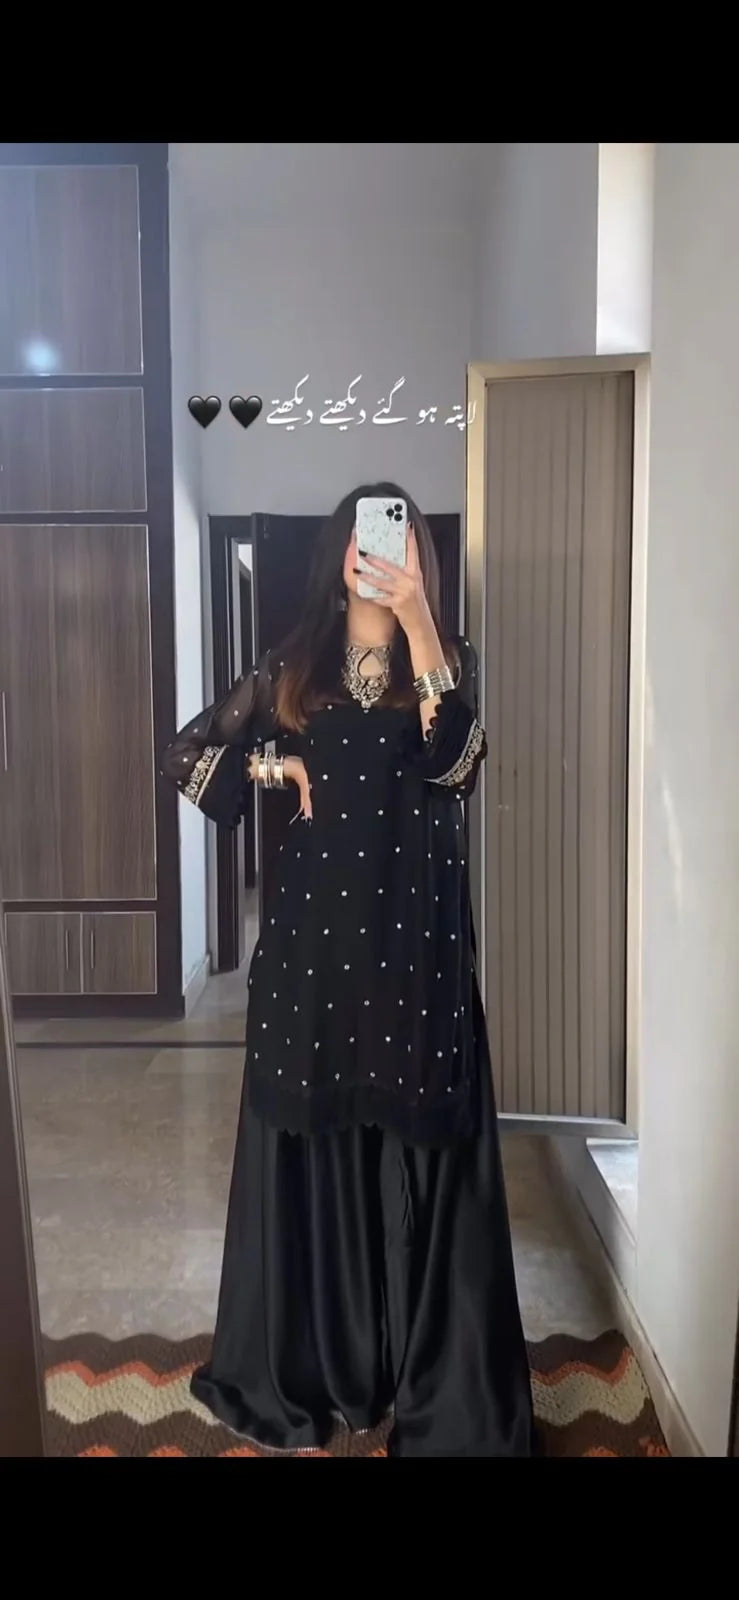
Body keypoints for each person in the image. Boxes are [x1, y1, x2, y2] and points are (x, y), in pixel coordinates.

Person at [161, 482, 533, 1457]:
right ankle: (321, 1374)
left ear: (418, 557)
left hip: (415, 955)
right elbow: (187, 752)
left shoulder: (445, 662)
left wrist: (418, 619)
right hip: (314, 957)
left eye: (396, 541)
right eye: (365, 540)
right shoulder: (293, 669)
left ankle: (425, 1380)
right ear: (339, 554)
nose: (378, 556)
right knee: (318, 1147)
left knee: (417, 1149)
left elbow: (457, 765)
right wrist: (277, 769)